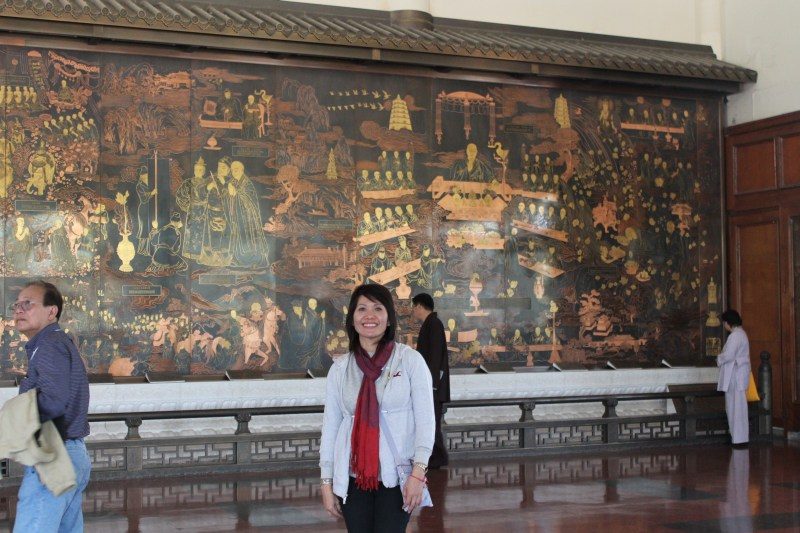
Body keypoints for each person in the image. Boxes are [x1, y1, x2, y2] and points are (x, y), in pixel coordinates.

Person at [319, 284, 434, 532]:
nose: (369, 315)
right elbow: (331, 428)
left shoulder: (409, 360)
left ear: (389, 318)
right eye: (362, 309)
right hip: (354, 477)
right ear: (352, 318)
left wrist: (418, 474)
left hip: (397, 477)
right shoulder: (340, 368)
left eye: (378, 308)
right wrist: (326, 482)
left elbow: (426, 421)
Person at [11, 280, 91, 532]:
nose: (19, 309)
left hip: (54, 453)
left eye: (28, 304)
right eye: (16, 305)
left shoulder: (49, 345)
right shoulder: (53, 343)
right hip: (69, 452)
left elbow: (54, 400)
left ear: (51, 311)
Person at [412, 293, 450, 469]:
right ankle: (435, 457)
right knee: (430, 422)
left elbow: (435, 357)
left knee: (432, 423)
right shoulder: (430, 323)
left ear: (420, 306)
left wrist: (432, 384)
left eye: (414, 307)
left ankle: (437, 458)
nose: (413, 311)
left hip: (433, 387)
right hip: (430, 385)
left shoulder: (433, 324)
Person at [717, 309, 750, 447]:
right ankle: (739, 438)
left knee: (734, 408)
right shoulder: (741, 334)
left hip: (735, 377)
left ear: (728, 322)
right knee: (739, 408)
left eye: (724, 322)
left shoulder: (735, 336)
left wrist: (719, 358)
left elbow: (729, 355)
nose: (724, 325)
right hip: (738, 376)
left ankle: (738, 440)